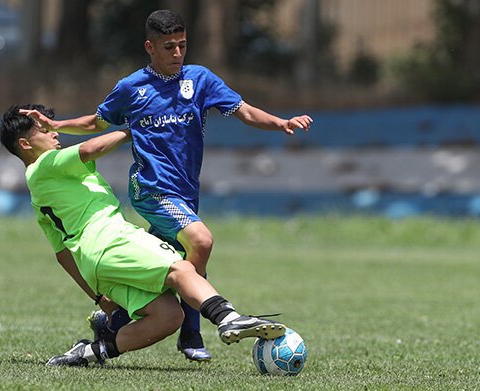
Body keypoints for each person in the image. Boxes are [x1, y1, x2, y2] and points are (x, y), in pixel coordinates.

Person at [19, 10, 313, 361]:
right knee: (201, 241)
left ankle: (113, 322)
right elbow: (96, 123)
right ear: (150, 47)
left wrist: (280, 123)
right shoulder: (132, 87)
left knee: (167, 261)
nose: (177, 53)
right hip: (151, 188)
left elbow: (244, 110)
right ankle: (194, 331)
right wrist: (58, 123)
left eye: (182, 45)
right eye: (169, 46)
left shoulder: (200, 79)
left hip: (186, 191)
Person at [0, 103, 286, 367]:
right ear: (25, 143)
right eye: (43, 130)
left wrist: (100, 297)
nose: (53, 133)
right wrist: (134, 130)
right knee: (180, 267)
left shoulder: (39, 191)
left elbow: (62, 255)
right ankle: (228, 318)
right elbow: (88, 149)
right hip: (110, 239)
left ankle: (90, 352)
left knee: (168, 316)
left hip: (94, 263)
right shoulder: (45, 164)